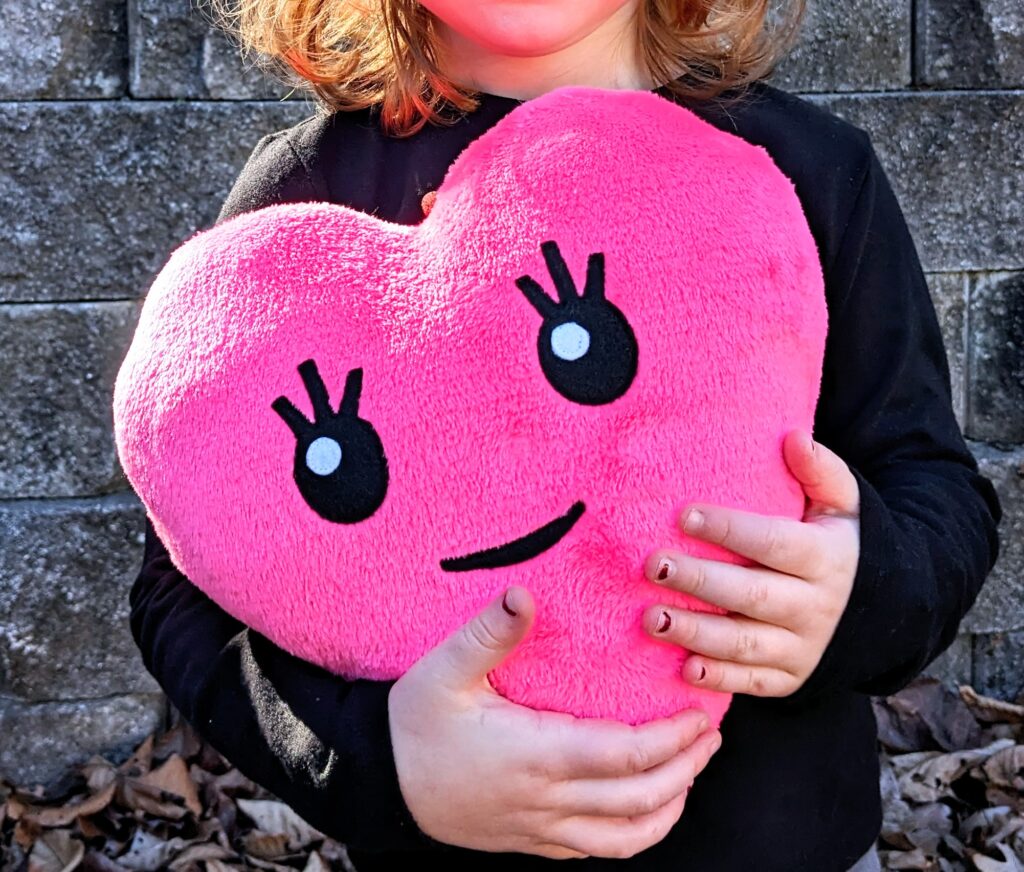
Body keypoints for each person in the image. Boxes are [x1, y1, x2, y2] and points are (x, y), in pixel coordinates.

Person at [127, 1, 1003, 870]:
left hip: (784, 844)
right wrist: (377, 758)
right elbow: (180, 593)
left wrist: (859, 583)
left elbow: (934, 488)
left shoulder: (807, 170)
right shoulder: (300, 217)